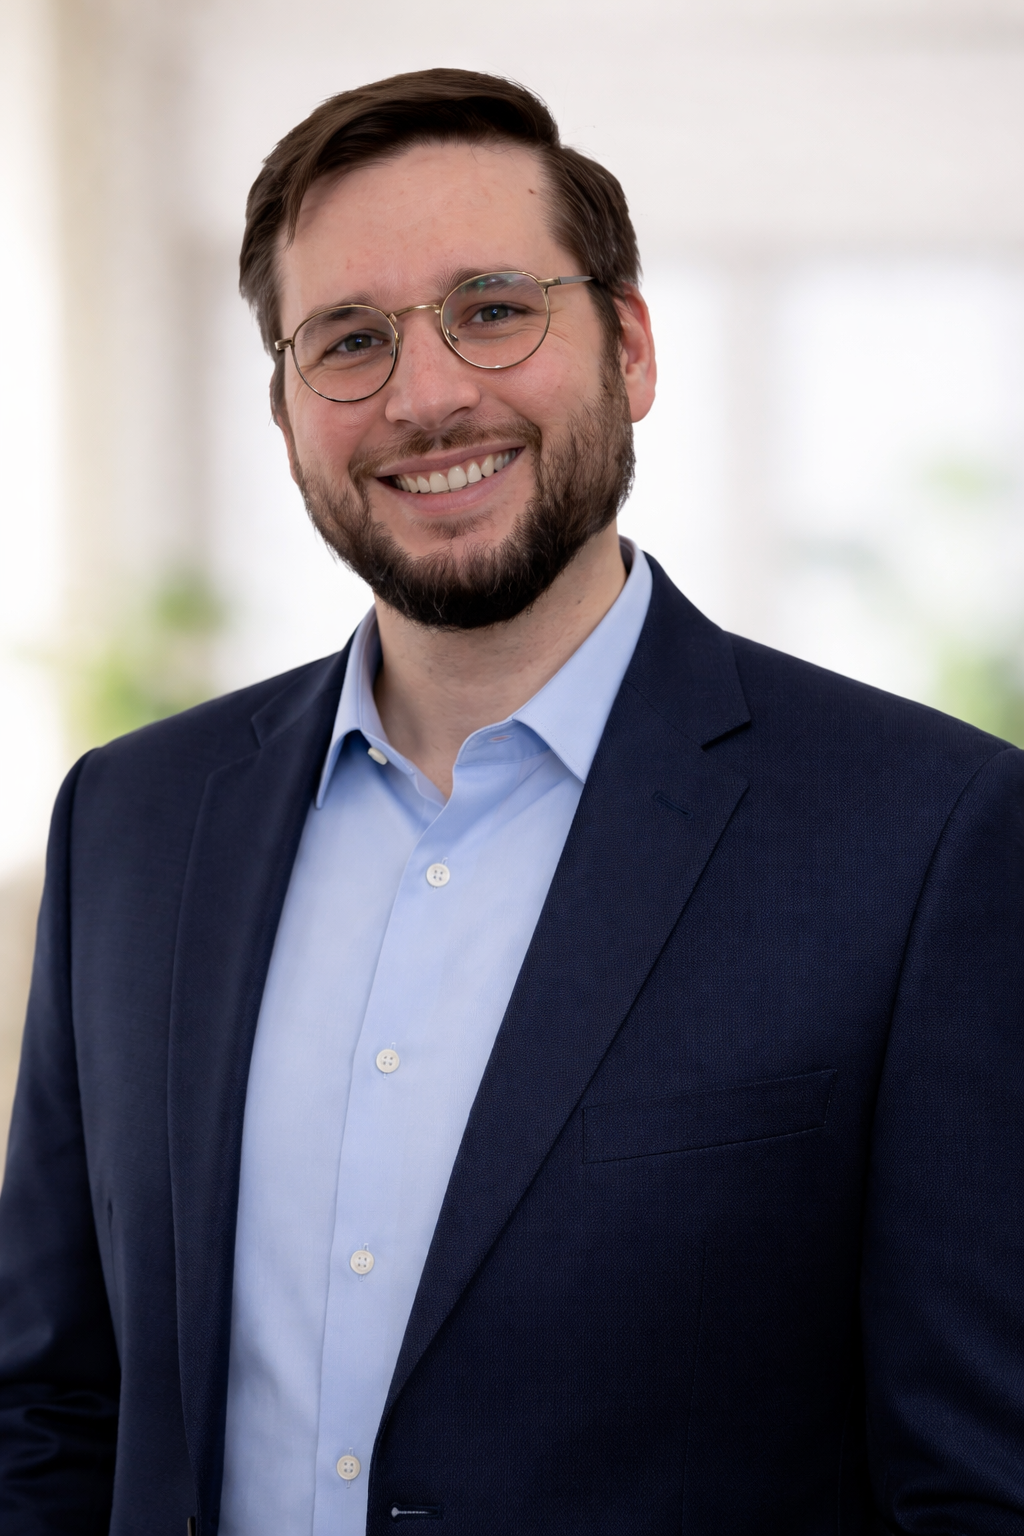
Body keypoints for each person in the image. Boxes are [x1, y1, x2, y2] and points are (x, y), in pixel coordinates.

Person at [0, 66, 1021, 1536]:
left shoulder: (927, 837)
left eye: (492, 309)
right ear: (285, 411)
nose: (426, 396)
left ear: (631, 350)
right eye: (349, 340)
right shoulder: (131, 823)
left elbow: (979, 1487)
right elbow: (51, 1413)